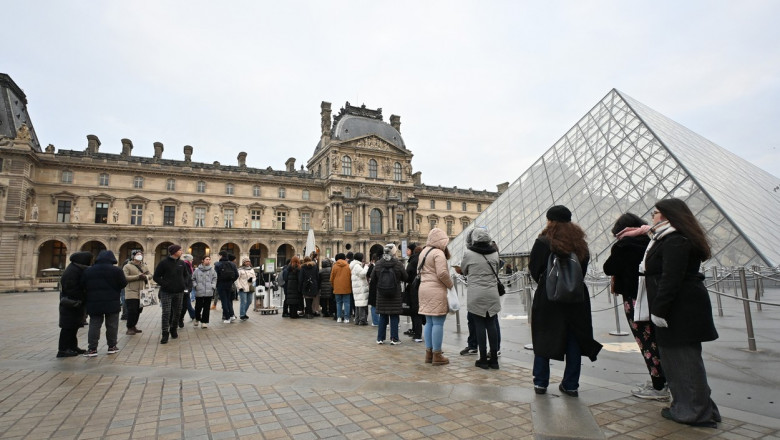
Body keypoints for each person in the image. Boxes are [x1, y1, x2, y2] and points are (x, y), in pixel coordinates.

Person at [644, 199, 720, 427]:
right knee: (682, 362)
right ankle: (697, 408)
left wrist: (659, 309)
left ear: (667, 215)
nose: (652, 217)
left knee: (683, 363)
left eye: (655, 213)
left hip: (678, 311)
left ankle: (693, 412)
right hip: (681, 308)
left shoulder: (675, 240)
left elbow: (671, 279)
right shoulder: (675, 237)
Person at [529, 205, 602, 396]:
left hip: (548, 297)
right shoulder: (580, 244)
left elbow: (535, 270)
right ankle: (571, 385)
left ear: (550, 220)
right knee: (574, 340)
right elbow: (582, 271)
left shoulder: (543, 242)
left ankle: (541, 383)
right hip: (576, 297)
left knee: (544, 336)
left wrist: (551, 285)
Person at [603, 213, 669, 401]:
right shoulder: (652, 241)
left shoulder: (623, 245)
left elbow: (609, 268)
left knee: (645, 341)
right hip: (654, 296)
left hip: (633, 298)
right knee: (659, 339)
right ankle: (665, 380)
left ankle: (658, 386)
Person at [459, 228, 502, 369]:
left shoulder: (468, 254)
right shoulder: (495, 253)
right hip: (491, 293)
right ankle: (494, 360)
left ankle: (483, 359)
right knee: (491, 325)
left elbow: (464, 270)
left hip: (475, 294)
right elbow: (495, 271)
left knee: (479, 326)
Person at [418, 228, 455, 365]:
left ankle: (429, 353)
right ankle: (437, 355)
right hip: (436, 289)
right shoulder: (438, 253)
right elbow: (442, 274)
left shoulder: (423, 252)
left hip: (424, 289)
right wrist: (451, 285)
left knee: (429, 322)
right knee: (438, 322)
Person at [81, 250, 128, 356]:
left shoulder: (89, 271)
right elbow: (124, 283)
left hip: (94, 302)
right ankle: (112, 346)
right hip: (112, 302)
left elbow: (83, 284)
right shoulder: (116, 271)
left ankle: (92, 348)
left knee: (94, 325)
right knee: (112, 325)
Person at [371, 244, 408, 344]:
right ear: (393, 252)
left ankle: (380, 339)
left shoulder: (378, 263)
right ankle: (394, 338)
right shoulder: (398, 264)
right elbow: (405, 277)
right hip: (394, 293)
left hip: (381, 293)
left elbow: (373, 278)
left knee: (383, 315)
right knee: (394, 316)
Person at [57, 251, 92, 357]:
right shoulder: (73, 272)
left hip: (74, 303)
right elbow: (71, 289)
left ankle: (72, 347)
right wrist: (84, 296)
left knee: (73, 326)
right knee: (67, 327)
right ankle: (63, 350)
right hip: (70, 304)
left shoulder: (75, 269)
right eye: (89, 260)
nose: (91, 262)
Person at [153, 244, 188, 344]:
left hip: (179, 291)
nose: (182, 251)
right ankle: (165, 333)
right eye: (180, 250)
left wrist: (183, 284)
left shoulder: (182, 263)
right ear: (174, 251)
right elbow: (156, 277)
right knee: (166, 313)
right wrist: (165, 284)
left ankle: (173, 328)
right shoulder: (164, 263)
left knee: (177, 312)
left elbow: (186, 275)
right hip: (166, 292)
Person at [123, 250, 151, 335]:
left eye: (141, 254)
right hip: (131, 291)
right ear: (133, 256)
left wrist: (146, 277)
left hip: (142, 291)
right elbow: (125, 277)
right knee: (132, 310)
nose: (140, 256)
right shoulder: (127, 266)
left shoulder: (144, 266)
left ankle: (134, 326)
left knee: (139, 310)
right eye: (138, 254)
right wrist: (138, 277)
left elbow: (150, 275)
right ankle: (129, 327)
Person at [404, 244, 425, 342]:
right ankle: (416, 331)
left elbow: (407, 275)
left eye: (408, 249)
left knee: (415, 311)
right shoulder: (422, 258)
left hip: (414, 288)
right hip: (423, 287)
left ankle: (417, 335)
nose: (406, 251)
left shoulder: (413, 261)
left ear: (412, 251)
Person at [192, 255, 217, 328]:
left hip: (209, 291)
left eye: (209, 259)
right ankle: (197, 318)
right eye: (207, 259)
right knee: (198, 307)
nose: (208, 261)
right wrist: (195, 286)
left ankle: (204, 322)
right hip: (199, 290)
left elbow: (215, 279)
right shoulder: (197, 270)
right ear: (203, 260)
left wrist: (213, 286)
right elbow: (193, 279)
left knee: (206, 307)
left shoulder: (212, 270)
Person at [214, 251, 239, 323]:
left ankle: (227, 318)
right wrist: (231, 281)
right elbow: (236, 275)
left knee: (224, 301)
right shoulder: (232, 264)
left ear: (221, 256)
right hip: (229, 284)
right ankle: (232, 316)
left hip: (221, 285)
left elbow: (215, 276)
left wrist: (217, 283)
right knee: (228, 300)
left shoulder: (218, 264)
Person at [330, 253, 352, 323]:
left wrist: (334, 286)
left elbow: (331, 278)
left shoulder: (335, 266)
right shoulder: (348, 266)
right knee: (347, 303)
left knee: (338, 303)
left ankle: (339, 317)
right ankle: (346, 318)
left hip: (337, 287)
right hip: (346, 287)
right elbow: (351, 277)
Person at [350, 252, 370, 325]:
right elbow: (362, 274)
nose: (363, 259)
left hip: (357, 287)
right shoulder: (357, 266)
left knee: (358, 304)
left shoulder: (354, 265)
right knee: (361, 304)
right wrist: (366, 267)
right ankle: (362, 320)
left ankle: (357, 319)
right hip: (360, 287)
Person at [178, 254, 195, 328]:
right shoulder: (185, 265)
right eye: (191, 260)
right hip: (183, 288)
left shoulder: (188, 266)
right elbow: (186, 277)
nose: (192, 261)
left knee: (185, 304)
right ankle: (180, 318)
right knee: (184, 304)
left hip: (187, 288)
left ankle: (181, 318)